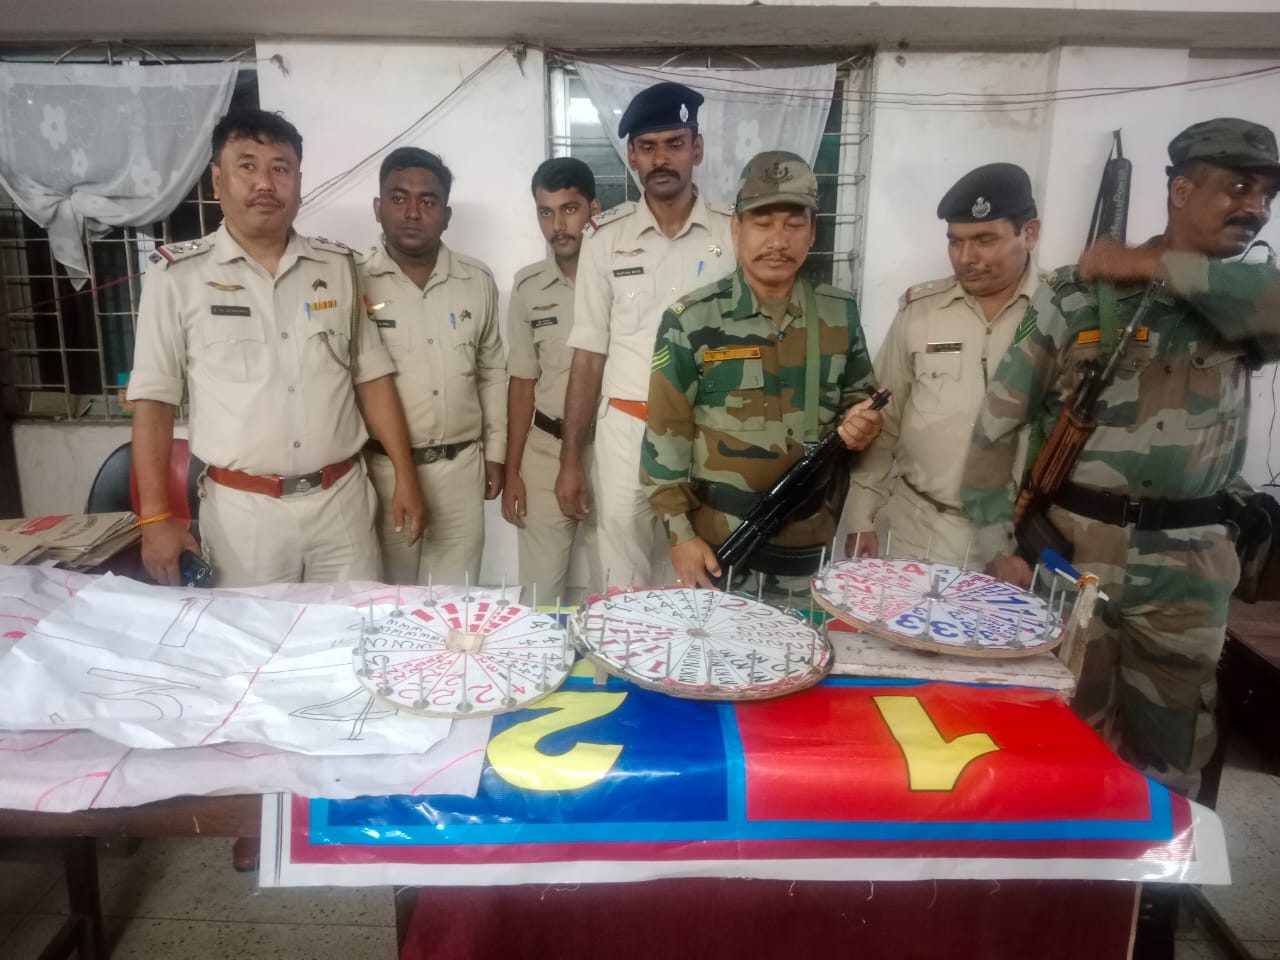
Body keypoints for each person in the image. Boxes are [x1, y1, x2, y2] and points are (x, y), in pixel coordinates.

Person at [960, 117, 1280, 793]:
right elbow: (996, 426)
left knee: (1172, 753)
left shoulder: (1247, 298)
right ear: (1182, 190)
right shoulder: (1079, 297)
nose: (1255, 207)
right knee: (1063, 736)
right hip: (1078, 555)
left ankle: (1157, 863)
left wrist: (1150, 264)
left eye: (1266, 195)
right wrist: (998, 547)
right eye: (1238, 188)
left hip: (1189, 568)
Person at [128, 108, 423, 589]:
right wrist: (156, 517)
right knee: (251, 635)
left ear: (299, 183)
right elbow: (153, 404)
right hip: (245, 516)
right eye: (247, 166)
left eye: (280, 168)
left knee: (351, 629)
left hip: (342, 505)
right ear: (217, 181)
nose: (265, 182)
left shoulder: (339, 268)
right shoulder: (177, 278)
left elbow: (371, 378)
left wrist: (406, 475)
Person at [641, 151, 883, 595]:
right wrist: (679, 534)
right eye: (763, 223)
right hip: (718, 549)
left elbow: (859, 400)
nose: (778, 240)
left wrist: (862, 422)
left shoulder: (839, 313)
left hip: (808, 550)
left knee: (803, 641)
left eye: (793, 225)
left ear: (812, 232)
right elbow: (664, 436)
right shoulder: (692, 320)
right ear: (736, 228)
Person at [557, 81, 735, 589]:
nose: (661, 159)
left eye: (675, 144)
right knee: (621, 581)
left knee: (701, 579)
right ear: (632, 156)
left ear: (696, 149)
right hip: (626, 430)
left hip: (708, 433)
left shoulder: (733, 232)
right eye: (648, 146)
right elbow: (589, 355)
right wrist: (571, 460)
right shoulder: (604, 239)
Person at [844, 164, 1042, 566]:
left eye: (984, 240)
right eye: (955, 242)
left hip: (1020, 541)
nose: (966, 258)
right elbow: (884, 419)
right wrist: (861, 515)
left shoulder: (1062, 314)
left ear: (1029, 233)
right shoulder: (921, 312)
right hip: (918, 529)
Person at [360, 147, 507, 586]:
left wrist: (496, 454)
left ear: (446, 215)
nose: (412, 213)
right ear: (378, 208)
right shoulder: (353, 280)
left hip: (461, 470)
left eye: (427, 201)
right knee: (388, 604)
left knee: (455, 605)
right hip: (382, 473)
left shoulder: (476, 281)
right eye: (398, 198)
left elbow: (491, 371)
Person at [503, 158, 603, 604]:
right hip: (545, 452)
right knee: (539, 600)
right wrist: (513, 471)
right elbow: (522, 382)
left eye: (569, 209)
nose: (558, 225)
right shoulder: (528, 287)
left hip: (610, 450)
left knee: (616, 591)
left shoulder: (622, 281)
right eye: (546, 212)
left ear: (593, 210)